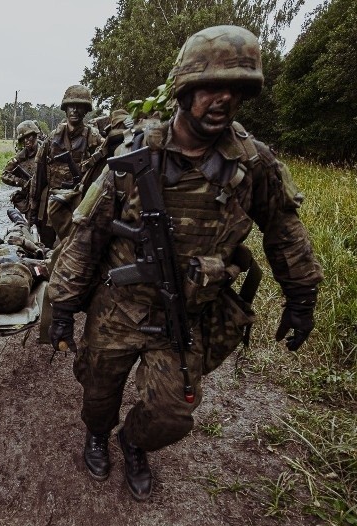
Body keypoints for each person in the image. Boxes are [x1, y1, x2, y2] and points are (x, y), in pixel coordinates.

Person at [46, 25, 323, 501]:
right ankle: (98, 433)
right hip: (119, 307)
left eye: (234, 90)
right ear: (185, 90)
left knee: (172, 413)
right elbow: (85, 234)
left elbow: (284, 229)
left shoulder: (252, 164)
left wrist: (302, 297)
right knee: (97, 389)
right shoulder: (133, 157)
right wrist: (63, 307)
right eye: (211, 88)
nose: (223, 100)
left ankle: (132, 443)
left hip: (186, 313)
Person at [29, 84, 104, 247]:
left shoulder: (94, 138)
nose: (75, 110)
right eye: (71, 105)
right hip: (53, 204)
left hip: (80, 206)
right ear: (65, 108)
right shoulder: (52, 138)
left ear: (86, 110)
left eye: (80, 106)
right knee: (45, 249)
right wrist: (33, 212)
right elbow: (39, 176)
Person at [1, 120, 44, 214]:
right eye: (23, 138)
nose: (26, 141)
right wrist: (22, 182)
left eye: (29, 137)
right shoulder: (20, 157)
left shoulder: (46, 151)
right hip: (30, 197)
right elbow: (4, 175)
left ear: (35, 135)